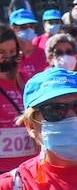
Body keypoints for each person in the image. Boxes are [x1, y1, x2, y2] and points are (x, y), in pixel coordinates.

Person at [0, 24, 39, 172]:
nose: (8, 57)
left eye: (12, 51)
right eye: (2, 52)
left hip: (28, 168)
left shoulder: (28, 82)